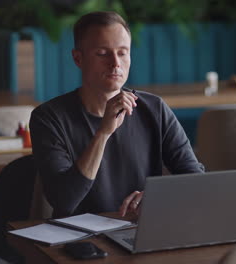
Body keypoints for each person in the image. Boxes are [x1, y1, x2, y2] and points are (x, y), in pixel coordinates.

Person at [30, 11, 204, 218]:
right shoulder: (48, 118)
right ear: (78, 58)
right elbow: (64, 200)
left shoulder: (154, 108)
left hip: (142, 231)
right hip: (79, 238)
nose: (115, 63)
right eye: (103, 53)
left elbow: (196, 179)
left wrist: (157, 197)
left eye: (122, 52)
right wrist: (103, 133)